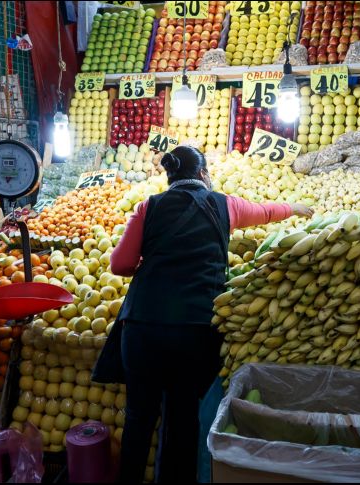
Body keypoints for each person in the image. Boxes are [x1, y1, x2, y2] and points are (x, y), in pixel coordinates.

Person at [110, 146, 313, 483]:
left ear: (169, 177)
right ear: (203, 174)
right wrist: (294, 208)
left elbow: (120, 265)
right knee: (181, 420)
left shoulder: (149, 206)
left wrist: (155, 262)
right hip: (194, 330)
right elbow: (264, 212)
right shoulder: (224, 204)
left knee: (138, 419)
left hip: (143, 328)